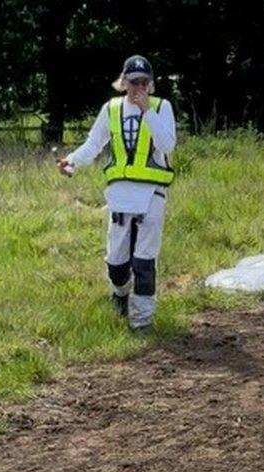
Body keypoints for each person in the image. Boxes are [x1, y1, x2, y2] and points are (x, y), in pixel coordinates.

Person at [58, 55, 176, 331]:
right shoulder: (111, 110)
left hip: (152, 195)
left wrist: (148, 112)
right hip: (120, 197)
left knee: (145, 262)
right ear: (123, 83)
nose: (139, 88)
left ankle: (142, 323)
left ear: (152, 85)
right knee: (117, 264)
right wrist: (71, 162)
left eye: (144, 82)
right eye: (134, 82)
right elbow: (93, 144)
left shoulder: (162, 108)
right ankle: (120, 295)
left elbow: (167, 145)